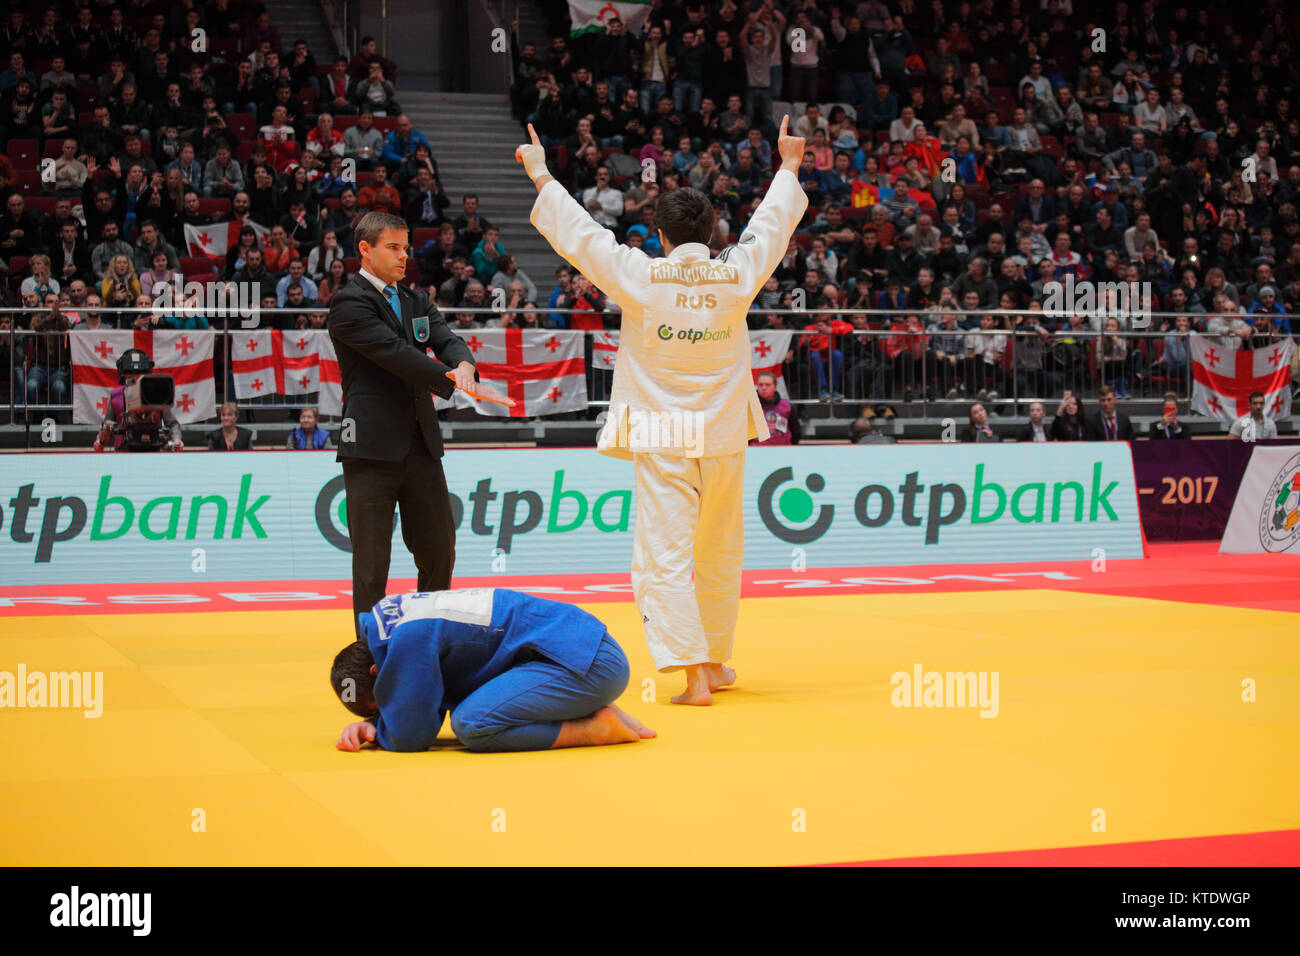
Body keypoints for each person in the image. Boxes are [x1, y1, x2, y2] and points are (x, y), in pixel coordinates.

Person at [517, 115, 808, 705]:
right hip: (724, 426)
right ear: (714, 229)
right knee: (722, 546)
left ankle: (695, 672)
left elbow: (581, 235)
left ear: (661, 235)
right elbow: (770, 228)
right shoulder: (736, 272)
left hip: (661, 427)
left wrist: (542, 171)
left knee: (664, 552)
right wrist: (789, 166)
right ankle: (716, 661)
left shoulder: (641, 274)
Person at [326, 210, 506, 639]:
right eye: (393, 247)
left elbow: (447, 339)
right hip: (369, 448)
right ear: (365, 250)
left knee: (439, 550)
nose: (404, 256)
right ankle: (372, 657)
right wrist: (452, 379)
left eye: (406, 247)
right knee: (372, 564)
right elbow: (396, 355)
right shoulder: (349, 303)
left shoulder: (416, 301)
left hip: (421, 445)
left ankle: (428, 639)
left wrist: (464, 363)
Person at [331, 588, 656, 753]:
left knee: (472, 724)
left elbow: (411, 735)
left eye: (384, 702)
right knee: (473, 708)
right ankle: (585, 702)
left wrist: (381, 733)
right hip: (581, 651)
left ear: (377, 671)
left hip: (589, 665)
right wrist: (374, 721)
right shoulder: (391, 617)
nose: (391, 705)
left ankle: (592, 729)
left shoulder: (406, 641)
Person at [750, 371, 800, 445]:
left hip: (783, 451)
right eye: (760, 385)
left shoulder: (786, 406)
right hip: (757, 451)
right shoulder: (750, 407)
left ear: (775, 387)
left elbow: (796, 432)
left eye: (767, 385)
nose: (764, 387)